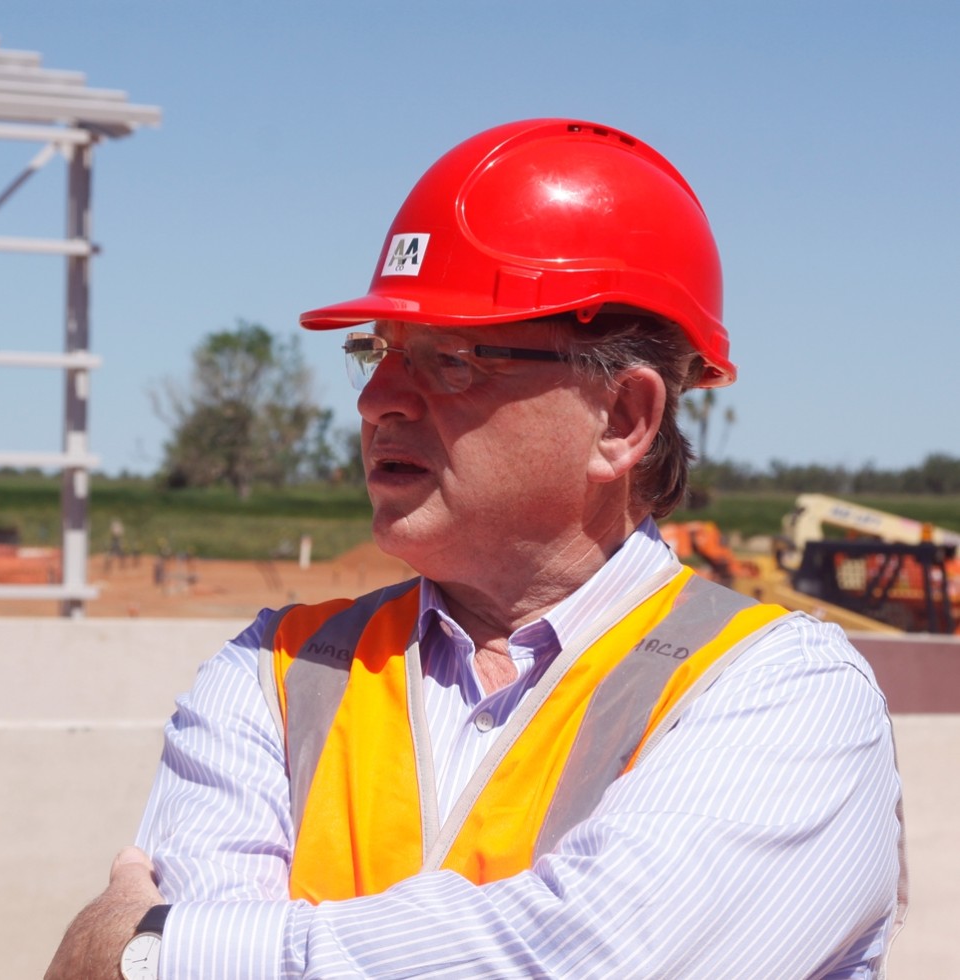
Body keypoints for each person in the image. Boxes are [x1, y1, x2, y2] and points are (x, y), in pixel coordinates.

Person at [46, 118, 906, 980]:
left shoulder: (781, 693)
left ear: (622, 420)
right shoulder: (273, 675)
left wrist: (153, 952)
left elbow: (586, 962)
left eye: (451, 359)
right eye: (376, 352)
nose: (377, 398)